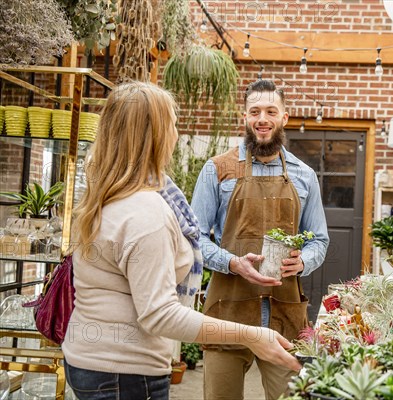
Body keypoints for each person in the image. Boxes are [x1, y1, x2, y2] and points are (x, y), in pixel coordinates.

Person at [62, 82, 300, 400]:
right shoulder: (147, 213)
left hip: (90, 362)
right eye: (173, 124)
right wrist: (251, 335)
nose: (176, 133)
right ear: (157, 135)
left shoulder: (107, 195)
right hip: (125, 375)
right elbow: (160, 314)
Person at [191, 79, 329, 399]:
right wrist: (232, 262)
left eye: (270, 111)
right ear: (245, 117)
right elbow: (194, 236)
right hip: (228, 311)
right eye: (254, 111)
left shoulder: (303, 175)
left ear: (284, 117)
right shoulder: (217, 170)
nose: (262, 119)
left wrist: (303, 261)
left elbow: (319, 239)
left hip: (285, 314)